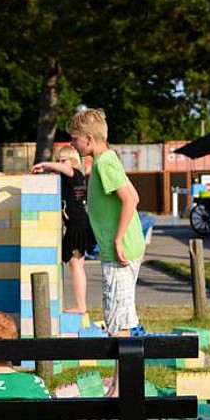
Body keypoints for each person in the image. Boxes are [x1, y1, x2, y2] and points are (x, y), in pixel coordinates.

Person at [66, 108, 145, 396]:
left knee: (119, 320)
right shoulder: (103, 162)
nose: (72, 144)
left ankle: (121, 389)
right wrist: (90, 195)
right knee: (117, 316)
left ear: (89, 139)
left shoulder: (103, 164)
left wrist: (119, 239)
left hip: (120, 250)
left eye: (75, 139)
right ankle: (118, 385)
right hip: (118, 248)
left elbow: (131, 198)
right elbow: (117, 194)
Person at [31, 146, 97, 314]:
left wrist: (45, 164)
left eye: (63, 160)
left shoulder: (74, 173)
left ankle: (80, 305)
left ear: (73, 161)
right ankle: (80, 304)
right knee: (76, 263)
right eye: (58, 160)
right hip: (77, 223)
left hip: (78, 224)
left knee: (75, 264)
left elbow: (65, 170)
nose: (60, 164)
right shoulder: (72, 179)